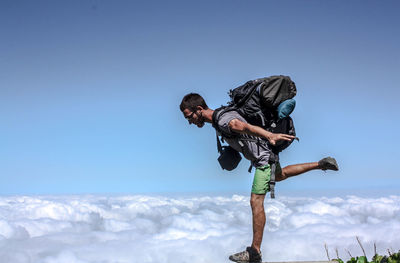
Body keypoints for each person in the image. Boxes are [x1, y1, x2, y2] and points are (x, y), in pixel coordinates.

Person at [180, 93, 338, 263]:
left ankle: (254, 252)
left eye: (189, 117)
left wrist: (269, 136)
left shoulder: (223, 120)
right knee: (280, 175)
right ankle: (321, 164)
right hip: (266, 156)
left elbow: (239, 125)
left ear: (199, 109)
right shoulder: (219, 119)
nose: (190, 122)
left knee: (255, 201)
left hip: (264, 159)